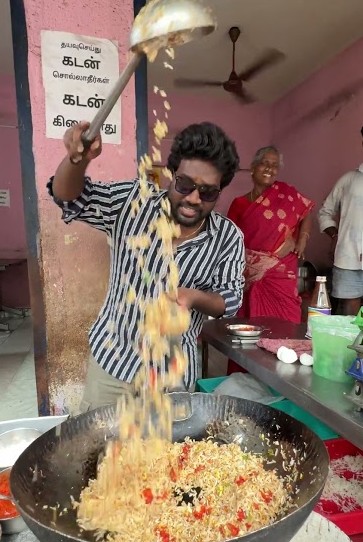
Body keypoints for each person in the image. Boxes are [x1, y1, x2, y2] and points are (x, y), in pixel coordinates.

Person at [50, 121, 246, 410]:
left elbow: (231, 298)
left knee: (166, 452)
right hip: (113, 363)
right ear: (172, 175)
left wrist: (192, 296)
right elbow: (70, 198)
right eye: (185, 185)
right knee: (101, 447)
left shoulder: (228, 236)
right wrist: (77, 160)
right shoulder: (132, 202)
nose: (193, 198)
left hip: (173, 374)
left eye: (207, 192)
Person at [226, 146, 315, 323]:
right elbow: (230, 241)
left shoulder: (287, 195)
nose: (269, 169)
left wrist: (302, 241)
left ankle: (284, 350)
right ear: (253, 167)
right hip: (249, 274)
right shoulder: (238, 204)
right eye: (264, 163)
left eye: (274, 165)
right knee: (252, 322)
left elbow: (306, 213)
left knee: (287, 320)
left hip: (281, 271)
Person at [318, 120, 363, 316]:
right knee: (350, 311)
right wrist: (335, 236)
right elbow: (325, 212)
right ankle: (351, 346)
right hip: (348, 257)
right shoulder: (348, 180)